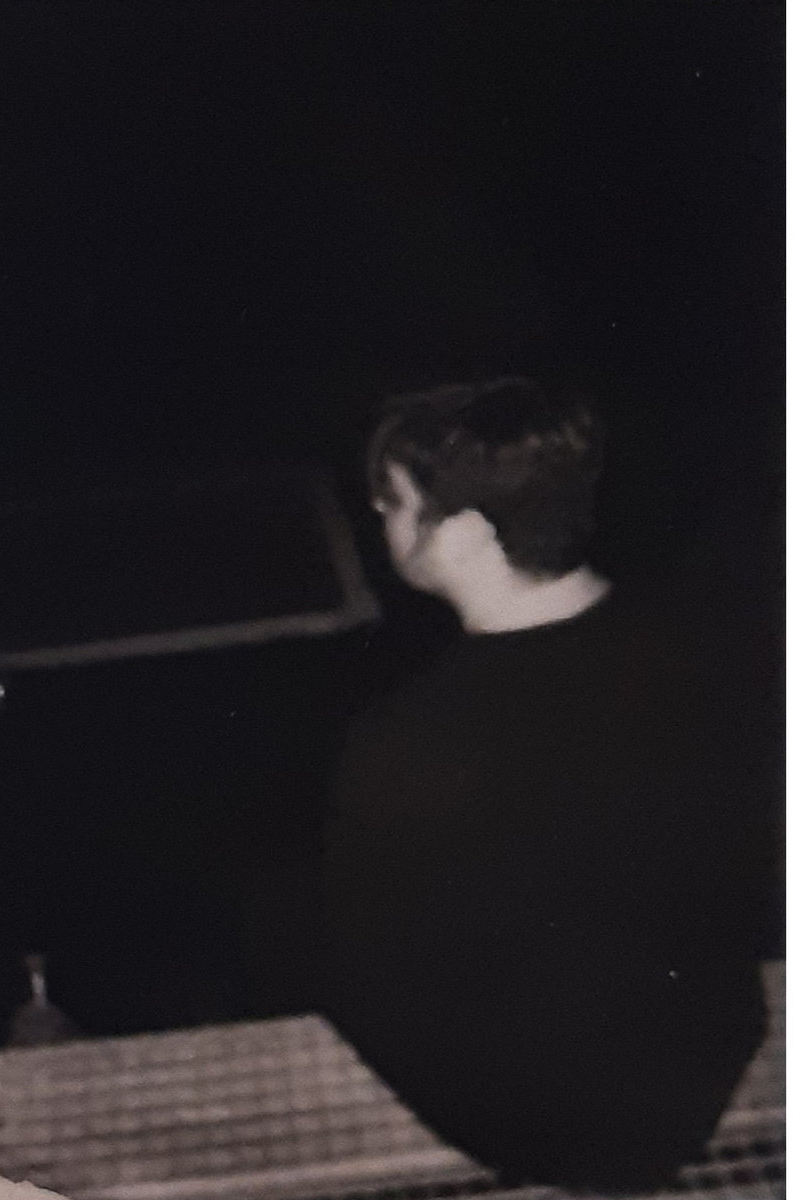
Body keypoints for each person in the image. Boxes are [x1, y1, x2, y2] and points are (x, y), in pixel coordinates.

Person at [323, 378, 767, 1191]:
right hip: (704, 1056)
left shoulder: (406, 739)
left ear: (462, 536)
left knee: (302, 928)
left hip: (547, 1123)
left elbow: (385, 964)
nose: (381, 519)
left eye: (393, 503)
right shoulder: (714, 657)